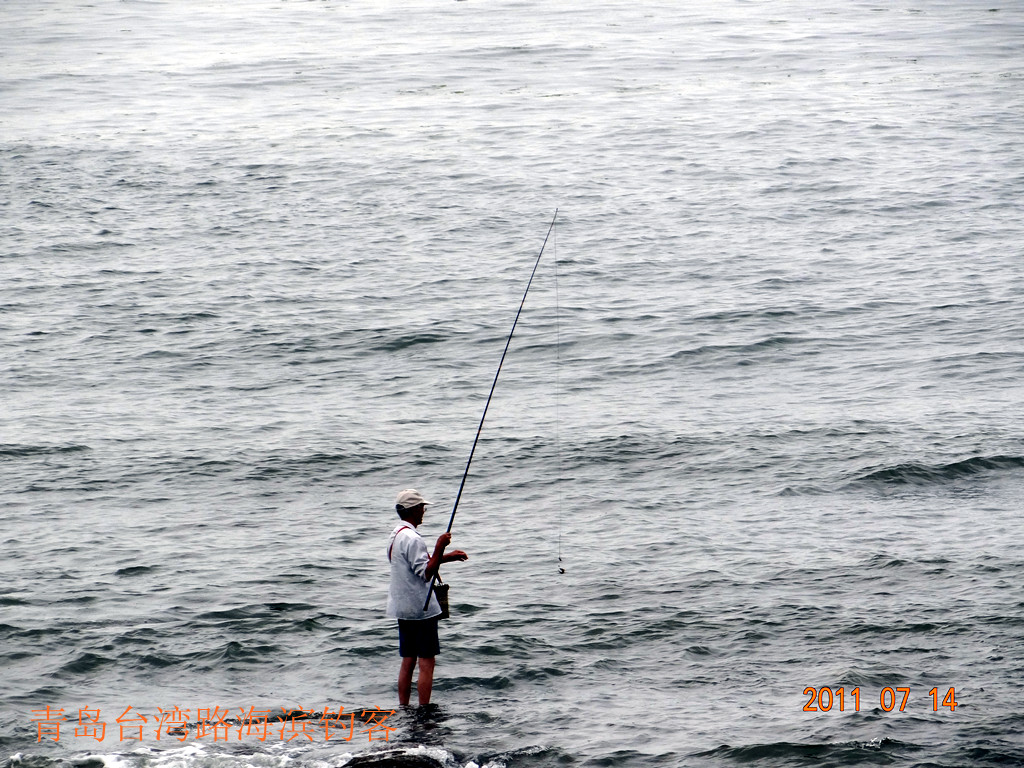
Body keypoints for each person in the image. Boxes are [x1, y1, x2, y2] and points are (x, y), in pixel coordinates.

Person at [386, 489, 468, 706]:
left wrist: (446, 557)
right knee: (426, 661)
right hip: (421, 608)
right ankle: (424, 709)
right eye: (422, 507)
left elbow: (415, 564)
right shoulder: (413, 538)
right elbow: (425, 572)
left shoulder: (396, 535)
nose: (424, 511)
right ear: (413, 510)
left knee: (408, 661)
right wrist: (440, 545)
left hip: (403, 607)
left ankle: (404, 706)